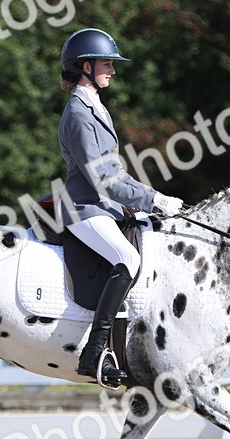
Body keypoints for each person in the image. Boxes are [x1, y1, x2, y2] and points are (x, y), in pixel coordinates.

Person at [57, 28, 185, 386]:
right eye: (106, 63)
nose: (112, 70)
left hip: (105, 205)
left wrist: (142, 208)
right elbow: (106, 180)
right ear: (85, 66)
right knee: (127, 258)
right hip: (84, 207)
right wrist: (154, 199)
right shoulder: (79, 115)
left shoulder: (94, 106)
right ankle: (93, 352)